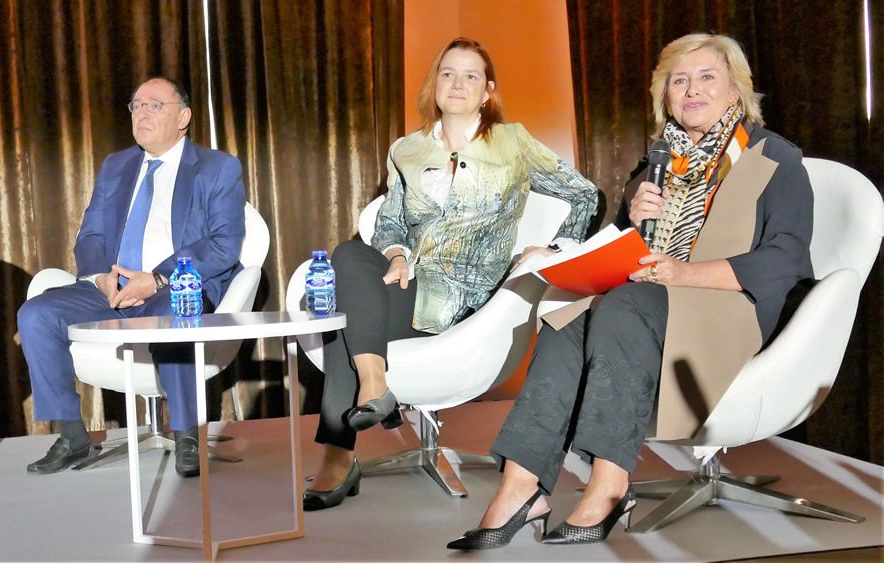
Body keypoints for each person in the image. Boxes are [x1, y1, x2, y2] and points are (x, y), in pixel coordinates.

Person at [447, 33, 814, 550]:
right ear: (666, 96)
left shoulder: (775, 157)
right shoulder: (655, 165)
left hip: (727, 313)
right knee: (567, 315)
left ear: (736, 89)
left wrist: (682, 274)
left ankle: (610, 482)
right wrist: (621, 227)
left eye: (707, 77)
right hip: (650, 306)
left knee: (623, 306)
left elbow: (787, 259)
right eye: (679, 81)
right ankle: (521, 485)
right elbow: (625, 254)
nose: (692, 90)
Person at [303, 37, 599, 511]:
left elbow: (583, 195)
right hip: (412, 284)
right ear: (434, 84)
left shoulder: (512, 142)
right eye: (447, 73)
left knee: (346, 310)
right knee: (348, 256)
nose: (457, 83)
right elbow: (391, 222)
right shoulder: (407, 149)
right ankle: (375, 385)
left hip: (472, 298)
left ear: (487, 91)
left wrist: (556, 248)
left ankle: (339, 456)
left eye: (470, 75)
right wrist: (396, 254)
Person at [18, 77, 246, 478]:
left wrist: (157, 278)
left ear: (184, 118)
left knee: (173, 312)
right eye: (136, 106)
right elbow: (90, 233)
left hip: (173, 287)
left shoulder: (216, 168)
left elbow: (224, 244)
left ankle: (187, 435)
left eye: (154, 106)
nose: (142, 113)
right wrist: (99, 276)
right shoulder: (116, 166)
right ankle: (72, 437)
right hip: (112, 288)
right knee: (36, 314)